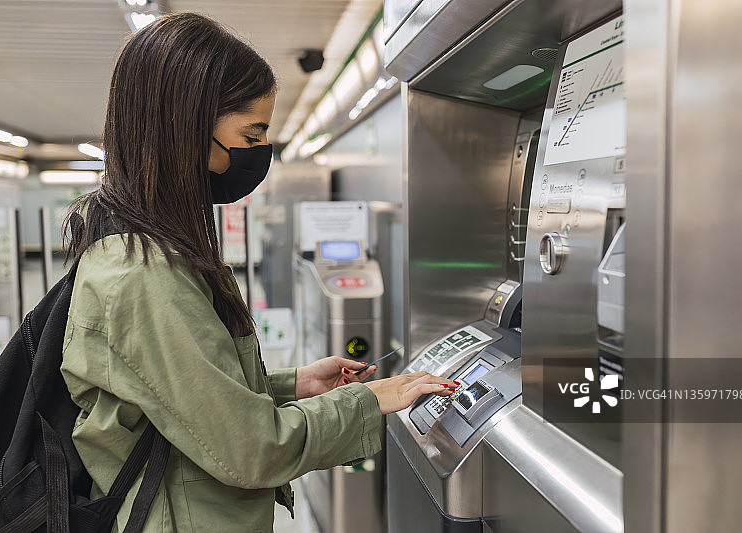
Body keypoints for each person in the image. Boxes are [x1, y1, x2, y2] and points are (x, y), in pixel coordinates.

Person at [60, 12, 457, 533]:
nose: (258, 153)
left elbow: (180, 397)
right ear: (186, 129)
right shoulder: (143, 274)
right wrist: (368, 400)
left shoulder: (144, 245)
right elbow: (250, 449)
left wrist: (293, 385)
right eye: (251, 134)